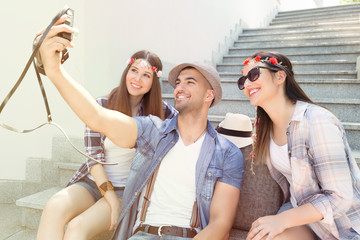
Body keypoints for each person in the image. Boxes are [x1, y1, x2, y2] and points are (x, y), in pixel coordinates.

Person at [36, 16, 243, 240]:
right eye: (178, 82)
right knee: (56, 207)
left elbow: (220, 224)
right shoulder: (152, 129)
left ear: (209, 95)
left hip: (150, 205)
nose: (180, 87)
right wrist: (53, 69)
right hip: (113, 200)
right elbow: (96, 118)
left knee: (77, 226)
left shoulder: (217, 147)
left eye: (189, 82)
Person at [36, 49, 178, 240]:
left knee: (77, 227)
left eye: (146, 75)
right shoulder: (102, 104)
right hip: (93, 182)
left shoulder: (162, 112)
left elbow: (185, 130)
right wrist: (110, 199)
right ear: (126, 71)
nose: (137, 79)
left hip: (126, 189)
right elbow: (93, 158)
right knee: (54, 206)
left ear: (154, 81)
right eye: (134, 71)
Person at [237, 51, 360, 240]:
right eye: (242, 80)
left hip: (341, 227)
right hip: (305, 220)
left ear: (280, 76)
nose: (246, 84)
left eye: (253, 75)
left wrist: (282, 220)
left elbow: (340, 197)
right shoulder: (265, 130)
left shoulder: (316, 121)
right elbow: (294, 190)